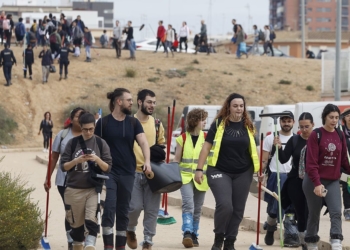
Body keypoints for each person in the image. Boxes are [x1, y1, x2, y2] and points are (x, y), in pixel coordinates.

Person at [195, 93, 259, 250]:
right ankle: (218, 238)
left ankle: (230, 241)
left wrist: (260, 170)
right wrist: (199, 169)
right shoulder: (218, 125)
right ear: (228, 107)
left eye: (241, 106)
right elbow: (206, 147)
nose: (238, 108)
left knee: (238, 209)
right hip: (219, 170)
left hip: (243, 172)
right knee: (225, 205)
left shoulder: (249, 126)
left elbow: (254, 150)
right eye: (235, 105)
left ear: (244, 108)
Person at [94, 88, 152, 250]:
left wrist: (147, 161)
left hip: (128, 172)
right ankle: (108, 246)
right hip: (108, 172)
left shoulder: (133, 123)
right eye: (129, 100)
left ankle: (120, 246)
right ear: (118, 102)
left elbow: (143, 143)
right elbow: (95, 146)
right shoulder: (103, 123)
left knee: (123, 209)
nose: (132, 103)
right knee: (110, 207)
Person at [61, 112, 112, 250]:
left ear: (95, 127)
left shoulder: (101, 143)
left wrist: (97, 159)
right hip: (74, 189)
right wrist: (77, 160)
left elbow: (108, 168)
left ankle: (90, 244)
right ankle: (79, 244)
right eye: (85, 129)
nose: (88, 132)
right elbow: (63, 166)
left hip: (94, 188)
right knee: (76, 228)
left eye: (91, 129)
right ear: (80, 127)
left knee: (92, 219)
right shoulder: (72, 143)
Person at [303, 104, 350, 250]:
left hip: (332, 181)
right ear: (325, 117)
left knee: (336, 211)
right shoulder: (316, 134)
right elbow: (311, 163)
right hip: (313, 181)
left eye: (336, 117)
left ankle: (336, 241)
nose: (334, 120)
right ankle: (311, 242)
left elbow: (343, 160)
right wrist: (317, 183)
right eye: (331, 117)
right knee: (314, 214)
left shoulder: (340, 134)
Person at [126, 89, 165, 250]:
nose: (152, 105)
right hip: (132, 173)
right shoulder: (127, 122)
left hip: (153, 173)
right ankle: (130, 230)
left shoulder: (156, 124)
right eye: (149, 102)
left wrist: (158, 154)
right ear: (140, 102)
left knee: (152, 210)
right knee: (134, 207)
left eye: (154, 102)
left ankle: (148, 240)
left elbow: (161, 145)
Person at [44, 107, 85, 250]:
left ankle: (79, 239)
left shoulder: (90, 136)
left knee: (83, 211)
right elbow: (54, 157)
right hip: (64, 180)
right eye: (77, 116)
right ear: (71, 118)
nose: (79, 119)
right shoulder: (62, 135)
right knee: (71, 210)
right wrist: (47, 178)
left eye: (82, 116)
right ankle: (71, 240)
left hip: (85, 181)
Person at [277, 112, 314, 249]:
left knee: (311, 212)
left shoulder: (317, 140)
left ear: (313, 125)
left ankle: (311, 237)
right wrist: (279, 148)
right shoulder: (294, 140)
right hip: (296, 181)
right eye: (301, 127)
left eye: (307, 127)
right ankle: (304, 240)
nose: (304, 130)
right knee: (300, 211)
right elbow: (283, 159)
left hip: (313, 181)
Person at [173, 108, 208, 248]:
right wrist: (171, 173)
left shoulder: (206, 138)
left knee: (198, 208)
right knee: (189, 205)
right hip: (185, 177)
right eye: (202, 119)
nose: (205, 122)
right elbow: (177, 159)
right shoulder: (183, 138)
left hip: (202, 178)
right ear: (195, 121)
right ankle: (187, 232)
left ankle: (194, 234)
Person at [261, 111, 294, 246]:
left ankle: (291, 235)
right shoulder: (271, 138)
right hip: (276, 176)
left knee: (291, 209)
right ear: (280, 122)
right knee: (274, 210)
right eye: (284, 121)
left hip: (292, 177)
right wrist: (261, 172)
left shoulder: (296, 139)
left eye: (289, 121)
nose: (286, 123)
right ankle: (270, 228)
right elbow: (264, 159)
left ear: (293, 122)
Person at [341, 109, 350, 221]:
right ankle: (348, 209)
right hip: (345, 166)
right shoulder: (341, 131)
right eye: (348, 115)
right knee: (346, 187)